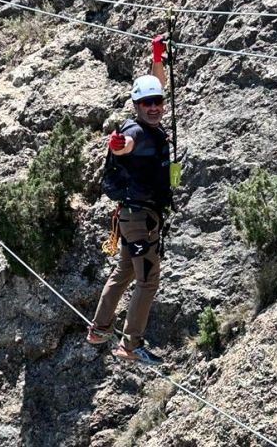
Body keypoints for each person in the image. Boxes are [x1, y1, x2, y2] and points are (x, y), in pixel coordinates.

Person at [87, 35, 172, 365]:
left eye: (157, 102)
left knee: (123, 272)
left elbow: (157, 83)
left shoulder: (151, 121)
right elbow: (124, 145)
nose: (153, 107)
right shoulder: (136, 132)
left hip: (132, 217)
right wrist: (117, 144)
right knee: (148, 281)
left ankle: (99, 329)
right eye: (147, 103)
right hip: (141, 222)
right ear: (136, 106)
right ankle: (131, 344)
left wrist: (157, 56)